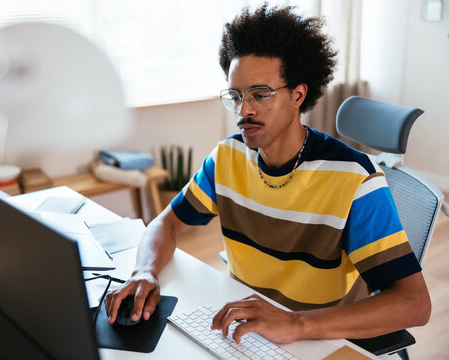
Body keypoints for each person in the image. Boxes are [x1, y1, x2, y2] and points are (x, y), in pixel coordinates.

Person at [105, 4, 431, 345]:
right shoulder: (226, 158)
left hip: (321, 337)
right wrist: (145, 272)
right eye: (236, 95)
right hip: (247, 330)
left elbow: (415, 304)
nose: (244, 109)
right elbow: (166, 223)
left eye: (260, 94)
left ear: (298, 95)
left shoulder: (354, 178)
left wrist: (295, 324)